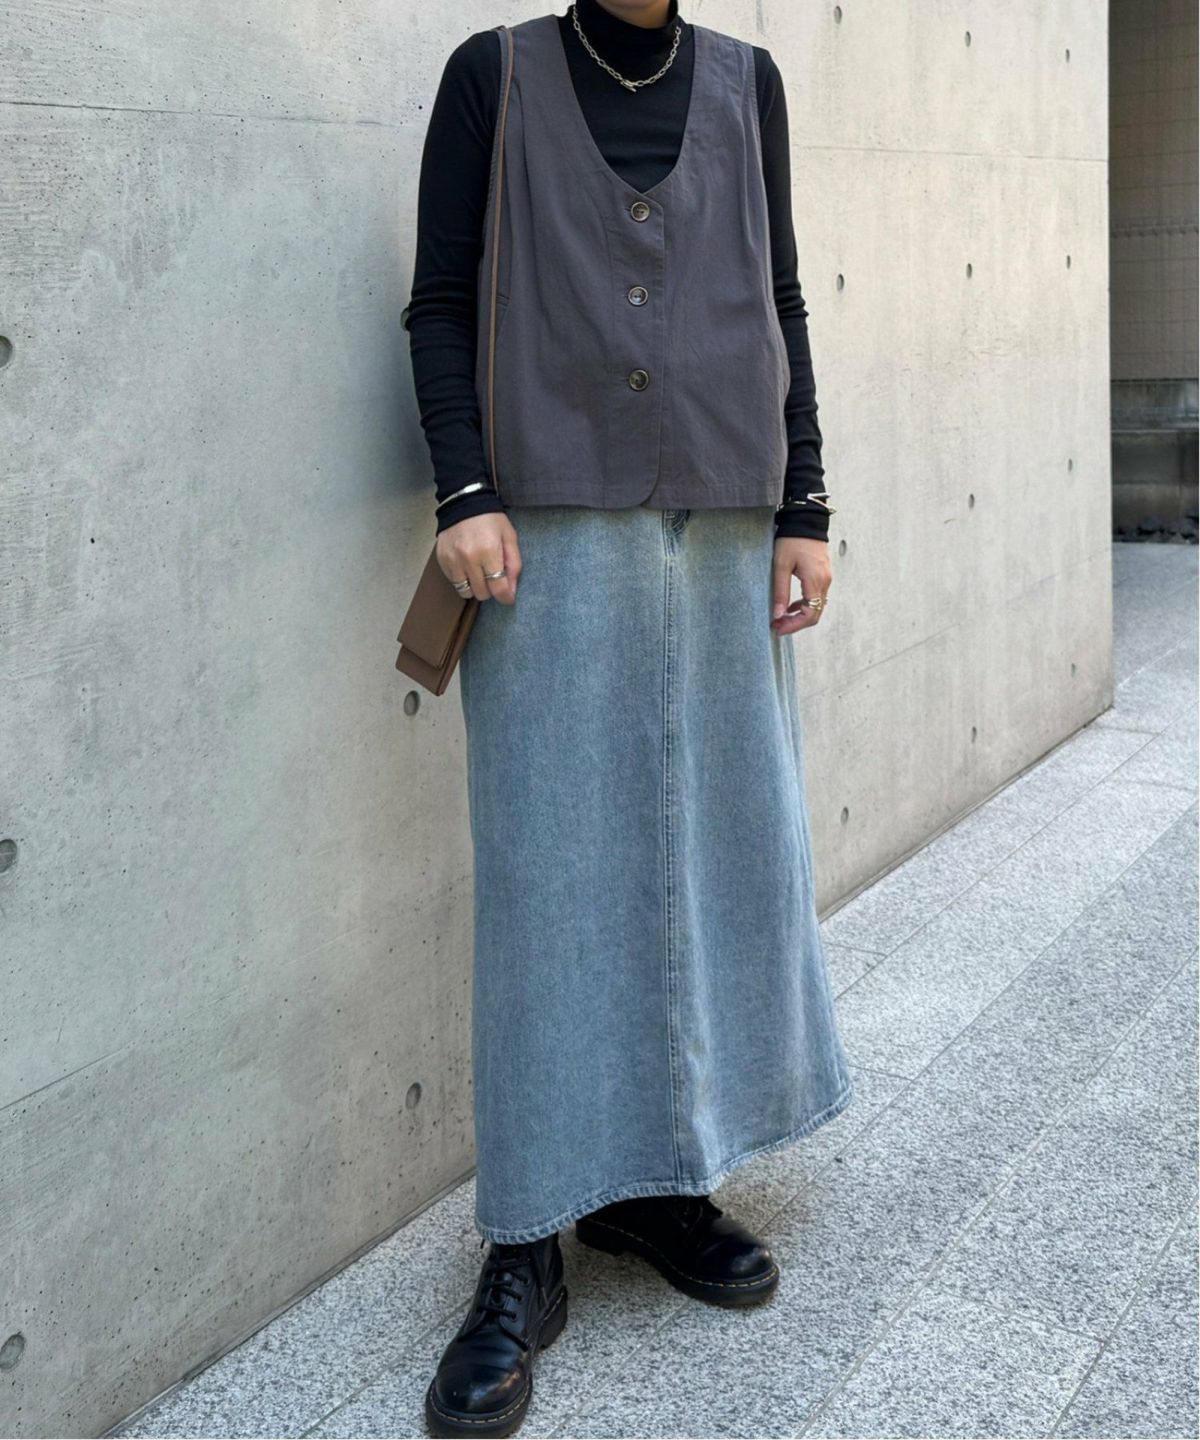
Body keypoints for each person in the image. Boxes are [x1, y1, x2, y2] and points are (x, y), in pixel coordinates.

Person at [403, 1, 853, 1434]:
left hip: (722, 520)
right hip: (543, 532)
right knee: (550, 880)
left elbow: (779, 296)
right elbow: (440, 299)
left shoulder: (747, 83)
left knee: (709, 856)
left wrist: (806, 503)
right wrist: (464, 489)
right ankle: (526, 1237)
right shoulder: (495, 75)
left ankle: (659, 1187)